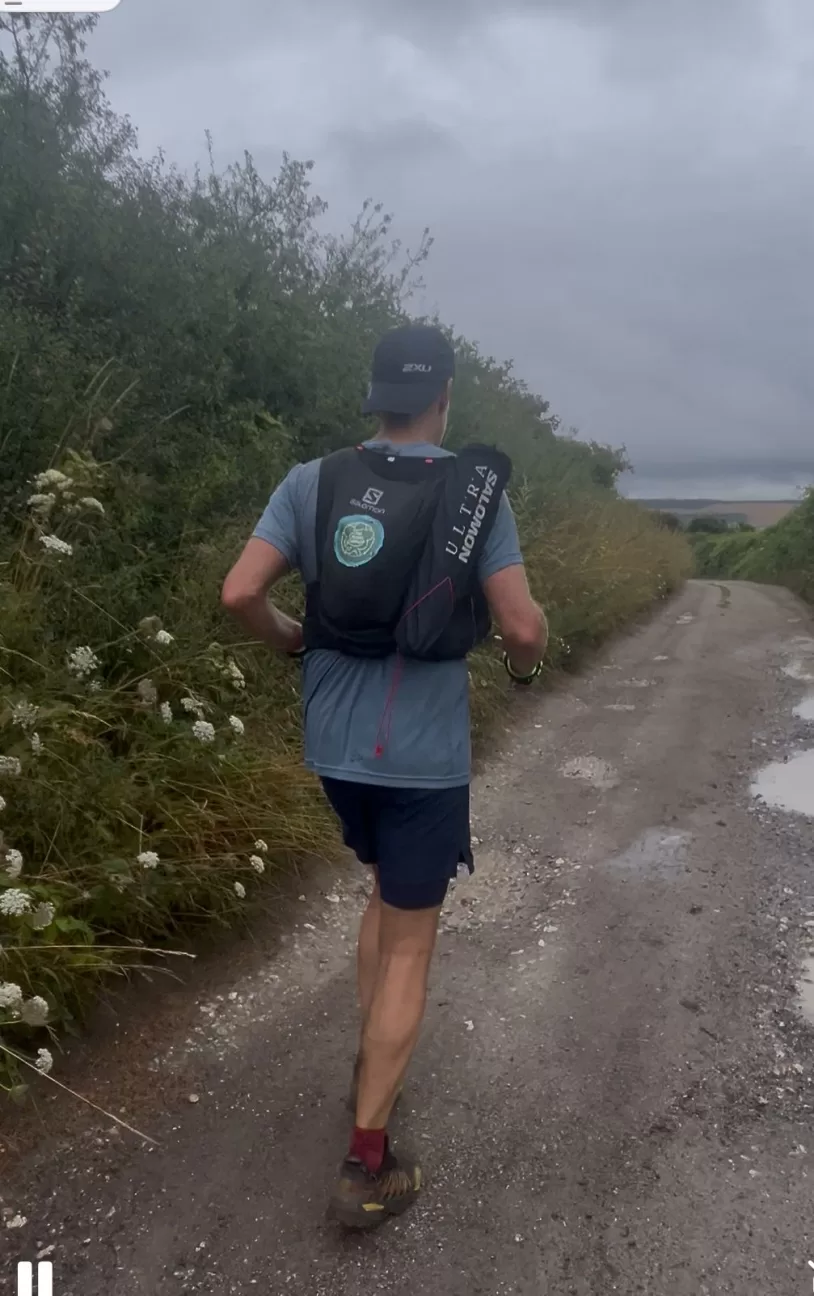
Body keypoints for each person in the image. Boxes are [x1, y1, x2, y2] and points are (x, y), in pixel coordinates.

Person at [222, 323, 548, 1229]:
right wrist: (526, 670)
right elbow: (521, 628)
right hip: (421, 761)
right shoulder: (471, 493)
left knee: (380, 892)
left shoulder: (312, 481)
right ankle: (368, 1163)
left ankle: (371, 1064)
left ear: (375, 398)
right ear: (444, 397)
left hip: (334, 746)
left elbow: (240, 591)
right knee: (410, 942)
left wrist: (291, 638)